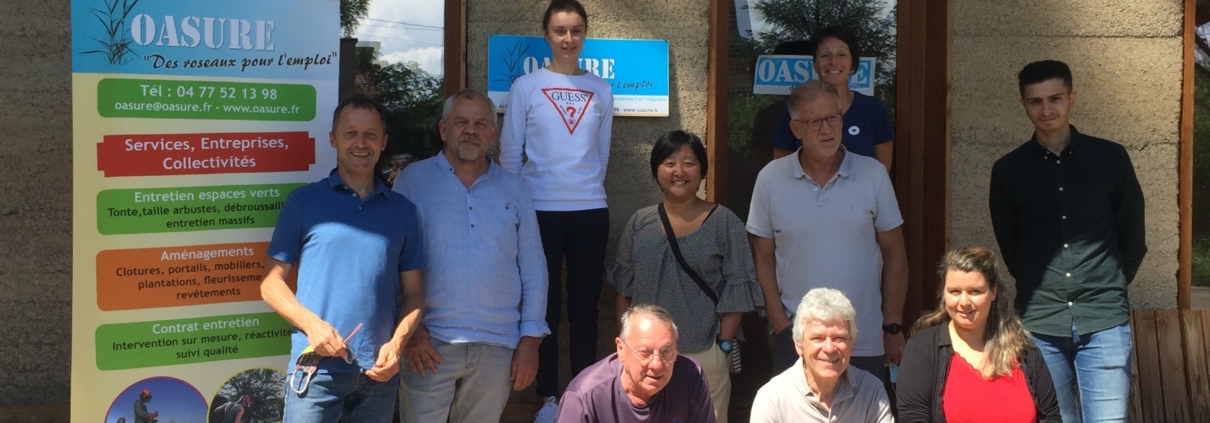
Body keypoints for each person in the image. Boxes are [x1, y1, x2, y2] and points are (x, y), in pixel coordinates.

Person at [989, 59, 1146, 423]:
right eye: (1036, 101)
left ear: (1071, 98)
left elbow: (1133, 237)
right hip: (1041, 322)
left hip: (1103, 319)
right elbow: (1011, 246)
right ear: (1024, 105)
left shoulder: (1111, 159)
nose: (1047, 109)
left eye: (1055, 98)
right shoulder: (1009, 170)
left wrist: (1107, 285)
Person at [260, 94, 426, 423]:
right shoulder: (304, 202)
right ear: (333, 139)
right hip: (316, 368)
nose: (361, 143)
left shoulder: (403, 211)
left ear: (383, 142)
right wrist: (312, 326)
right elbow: (270, 284)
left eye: (370, 134)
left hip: (378, 371)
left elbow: (415, 293)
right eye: (351, 133)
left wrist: (397, 345)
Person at [394, 89, 550, 422]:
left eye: (481, 123)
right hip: (430, 342)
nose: (470, 130)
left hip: (498, 348)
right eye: (461, 122)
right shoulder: (412, 181)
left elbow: (534, 269)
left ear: (493, 133)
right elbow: (393, 262)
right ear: (443, 130)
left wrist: (530, 342)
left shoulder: (515, 188)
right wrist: (411, 331)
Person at [748, 80, 908, 381]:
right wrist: (780, 324)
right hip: (798, 339)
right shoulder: (770, 179)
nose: (827, 129)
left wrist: (892, 325)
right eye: (815, 121)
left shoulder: (873, 174)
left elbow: (895, 252)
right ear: (796, 129)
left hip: (862, 339)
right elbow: (762, 259)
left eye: (833, 118)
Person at [500, 0, 615, 403]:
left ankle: (582, 399)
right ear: (547, 35)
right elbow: (511, 155)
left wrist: (579, 189)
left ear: (585, 34)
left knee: (585, 312)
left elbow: (600, 156)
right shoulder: (525, 87)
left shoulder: (601, 88)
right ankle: (548, 400)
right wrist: (515, 211)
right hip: (537, 213)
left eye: (576, 30)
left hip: (589, 212)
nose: (569, 39)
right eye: (560, 31)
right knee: (543, 312)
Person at [609, 130, 763, 423]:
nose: (679, 171)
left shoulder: (725, 222)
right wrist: (627, 348)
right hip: (647, 356)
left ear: (702, 170)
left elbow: (738, 289)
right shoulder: (640, 223)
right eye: (669, 162)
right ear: (656, 169)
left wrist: (723, 347)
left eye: (689, 163)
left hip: (704, 351)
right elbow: (623, 291)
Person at [898, 247, 1062, 422]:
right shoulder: (922, 348)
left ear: (993, 292)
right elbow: (913, 417)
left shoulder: (1024, 350)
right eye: (954, 291)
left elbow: (1051, 416)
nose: (963, 302)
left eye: (974, 291)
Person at [750, 288, 893, 422]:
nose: (829, 348)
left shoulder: (871, 391)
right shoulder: (772, 399)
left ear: (852, 345)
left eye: (839, 338)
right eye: (818, 338)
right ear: (798, 345)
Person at [554, 304, 716, 423]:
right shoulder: (584, 396)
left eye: (666, 351)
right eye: (645, 352)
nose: (657, 364)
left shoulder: (690, 375)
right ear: (621, 349)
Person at [769, 26, 894, 173]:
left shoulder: (872, 109)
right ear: (815, 65)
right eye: (825, 55)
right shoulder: (797, 109)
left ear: (853, 63)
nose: (833, 62)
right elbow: (780, 171)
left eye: (842, 54)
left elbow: (882, 172)